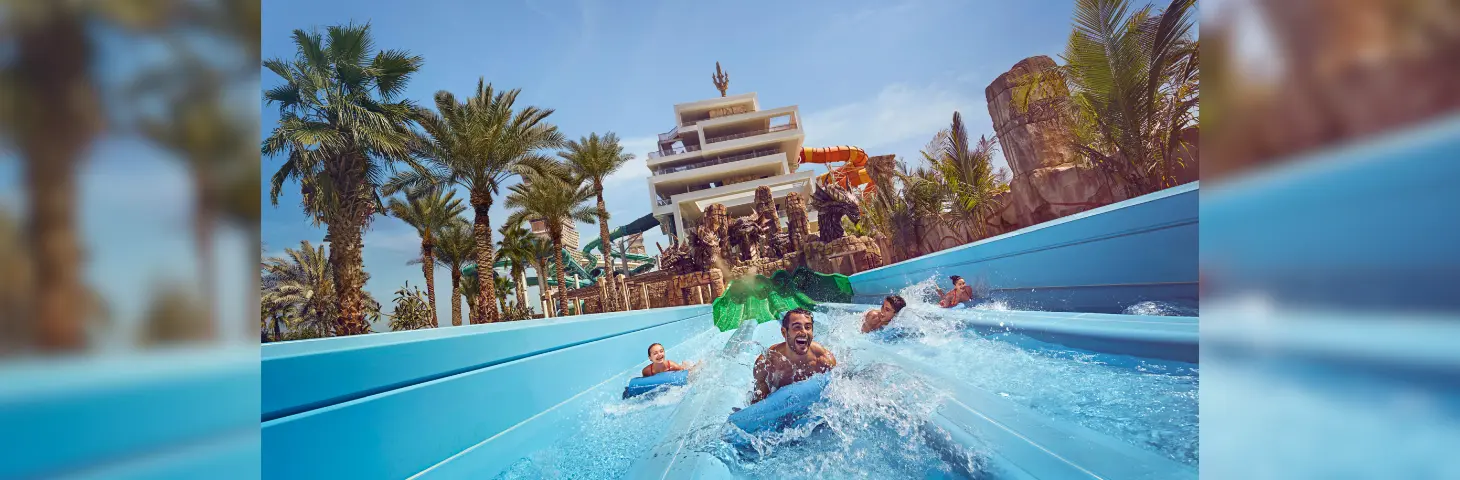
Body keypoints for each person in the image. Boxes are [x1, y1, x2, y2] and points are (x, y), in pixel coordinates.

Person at [749, 308, 837, 404]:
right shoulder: (767, 363)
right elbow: (759, 403)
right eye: (797, 327)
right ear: (784, 332)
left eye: (808, 327)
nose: (804, 332)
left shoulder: (824, 360)